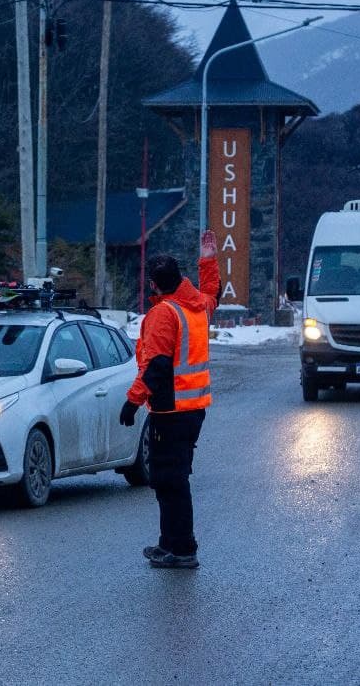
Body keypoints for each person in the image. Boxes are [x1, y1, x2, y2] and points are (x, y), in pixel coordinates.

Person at [120, 230, 219, 569]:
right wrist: (208, 260)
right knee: (169, 478)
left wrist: (132, 402)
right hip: (192, 409)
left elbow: (157, 365)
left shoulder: (164, 314)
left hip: (171, 409)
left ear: (154, 285)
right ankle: (170, 544)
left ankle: (182, 548)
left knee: (170, 481)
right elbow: (212, 293)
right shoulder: (196, 308)